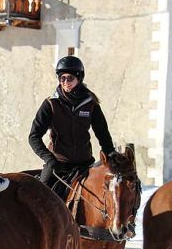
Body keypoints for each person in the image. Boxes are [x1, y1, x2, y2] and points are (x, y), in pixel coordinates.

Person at [28, 55, 116, 199]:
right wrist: (49, 159)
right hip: (58, 165)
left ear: (79, 78)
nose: (65, 82)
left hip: (85, 165)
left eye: (69, 78)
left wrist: (110, 154)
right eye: (62, 78)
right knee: (40, 198)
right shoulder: (50, 104)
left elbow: (102, 133)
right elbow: (33, 136)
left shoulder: (91, 103)